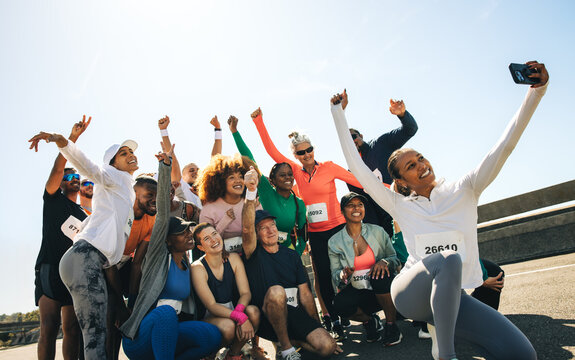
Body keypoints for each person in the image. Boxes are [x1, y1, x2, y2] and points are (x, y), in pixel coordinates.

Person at [330, 61, 548, 360]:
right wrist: (338, 114)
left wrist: (537, 91)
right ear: (400, 181)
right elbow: (357, 167)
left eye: (420, 158)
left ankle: (441, 340)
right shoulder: (398, 205)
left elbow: (504, 145)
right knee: (446, 260)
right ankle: (447, 355)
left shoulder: (465, 188)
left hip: (453, 298)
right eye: (410, 165)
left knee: (523, 354)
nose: (421, 164)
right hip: (411, 295)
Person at [29, 120, 140, 359]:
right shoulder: (113, 176)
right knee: (95, 335)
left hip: (82, 259)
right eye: (123, 153)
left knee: (90, 333)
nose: (131, 155)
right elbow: (90, 167)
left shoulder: (123, 189)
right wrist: (63, 140)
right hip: (84, 259)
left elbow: (88, 229)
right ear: (113, 163)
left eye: (131, 151)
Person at [251, 107, 363, 337]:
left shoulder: (329, 167)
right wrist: (258, 121)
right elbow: (271, 150)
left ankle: (355, 313)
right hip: (315, 233)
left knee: (346, 271)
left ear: (314, 149)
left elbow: (357, 180)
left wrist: (389, 191)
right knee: (322, 275)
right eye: (301, 152)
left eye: (309, 149)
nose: (307, 154)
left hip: (337, 229)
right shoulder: (295, 172)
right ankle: (332, 318)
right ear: (295, 155)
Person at [120, 145, 222, 360]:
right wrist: (165, 168)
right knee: (165, 314)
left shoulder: (189, 267)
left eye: (189, 230)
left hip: (169, 335)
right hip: (141, 337)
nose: (188, 234)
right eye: (181, 232)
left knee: (212, 335)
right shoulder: (158, 257)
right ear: (167, 239)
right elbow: (163, 211)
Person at [241, 168, 340, 360]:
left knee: (327, 347)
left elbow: (305, 294)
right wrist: (251, 192)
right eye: (263, 228)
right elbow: (246, 228)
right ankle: (286, 349)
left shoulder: (292, 255)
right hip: (266, 319)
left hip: (293, 313)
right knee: (277, 291)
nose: (270, 231)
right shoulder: (254, 253)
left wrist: (317, 326)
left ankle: (294, 342)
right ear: (256, 234)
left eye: (272, 225)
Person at [32, 117, 90, 360]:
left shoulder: (83, 214)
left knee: (72, 329)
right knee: (49, 325)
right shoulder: (53, 200)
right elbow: (58, 169)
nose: (73, 179)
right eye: (68, 178)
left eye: (76, 176)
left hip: (71, 274)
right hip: (49, 269)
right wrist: (71, 139)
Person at [341, 89, 418, 237]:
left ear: (361, 135)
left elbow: (410, 129)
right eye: (348, 141)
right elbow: (364, 202)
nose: (353, 142)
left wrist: (402, 114)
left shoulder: (381, 144)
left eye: (354, 137)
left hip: (402, 206)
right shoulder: (351, 171)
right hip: (380, 221)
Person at [328, 192, 402, 345]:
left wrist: (385, 262)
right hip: (359, 292)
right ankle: (370, 322)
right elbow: (335, 275)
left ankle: (391, 325)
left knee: (380, 276)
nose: (356, 208)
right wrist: (342, 274)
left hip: (383, 289)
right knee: (339, 305)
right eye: (351, 205)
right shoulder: (334, 242)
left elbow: (395, 259)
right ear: (342, 211)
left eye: (360, 205)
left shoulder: (378, 231)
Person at [228, 114, 307, 255]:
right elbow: (249, 158)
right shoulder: (266, 191)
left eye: (290, 174)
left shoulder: (298, 203)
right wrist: (234, 131)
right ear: (273, 180)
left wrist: (297, 252)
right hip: (264, 251)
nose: (288, 178)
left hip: (287, 251)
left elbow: (302, 233)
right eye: (282, 175)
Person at [106, 175, 158, 359]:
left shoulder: (152, 219)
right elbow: (108, 262)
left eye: (157, 196)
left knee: (129, 313)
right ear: (134, 194)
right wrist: (121, 304)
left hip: (124, 262)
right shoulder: (119, 213)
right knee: (112, 311)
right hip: (102, 262)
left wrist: (133, 302)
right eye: (149, 195)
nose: (155, 200)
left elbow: (137, 263)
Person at [191, 223, 261, 360]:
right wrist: (239, 317)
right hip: (209, 318)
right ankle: (209, 356)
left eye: (214, 234)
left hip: (233, 311)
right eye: (206, 239)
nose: (213, 240)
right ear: (200, 247)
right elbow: (211, 305)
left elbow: (245, 293)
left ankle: (233, 354)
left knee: (253, 312)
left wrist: (240, 312)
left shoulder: (233, 258)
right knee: (228, 326)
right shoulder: (197, 268)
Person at [197, 152, 260, 254]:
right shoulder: (209, 209)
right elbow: (206, 241)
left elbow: (262, 230)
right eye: (231, 177)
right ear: (221, 182)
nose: (238, 181)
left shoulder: (253, 203)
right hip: (222, 259)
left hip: (252, 255)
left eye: (240, 176)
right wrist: (225, 221)